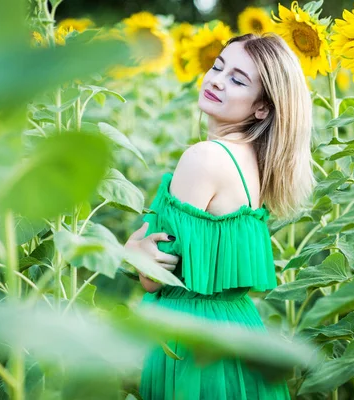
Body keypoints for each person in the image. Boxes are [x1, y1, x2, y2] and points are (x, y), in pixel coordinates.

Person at [125, 32, 314, 400]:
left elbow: (155, 277)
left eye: (237, 79)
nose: (216, 79)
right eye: (217, 65)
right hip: (239, 332)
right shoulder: (252, 162)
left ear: (262, 108)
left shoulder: (204, 158)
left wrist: (132, 250)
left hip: (193, 342)